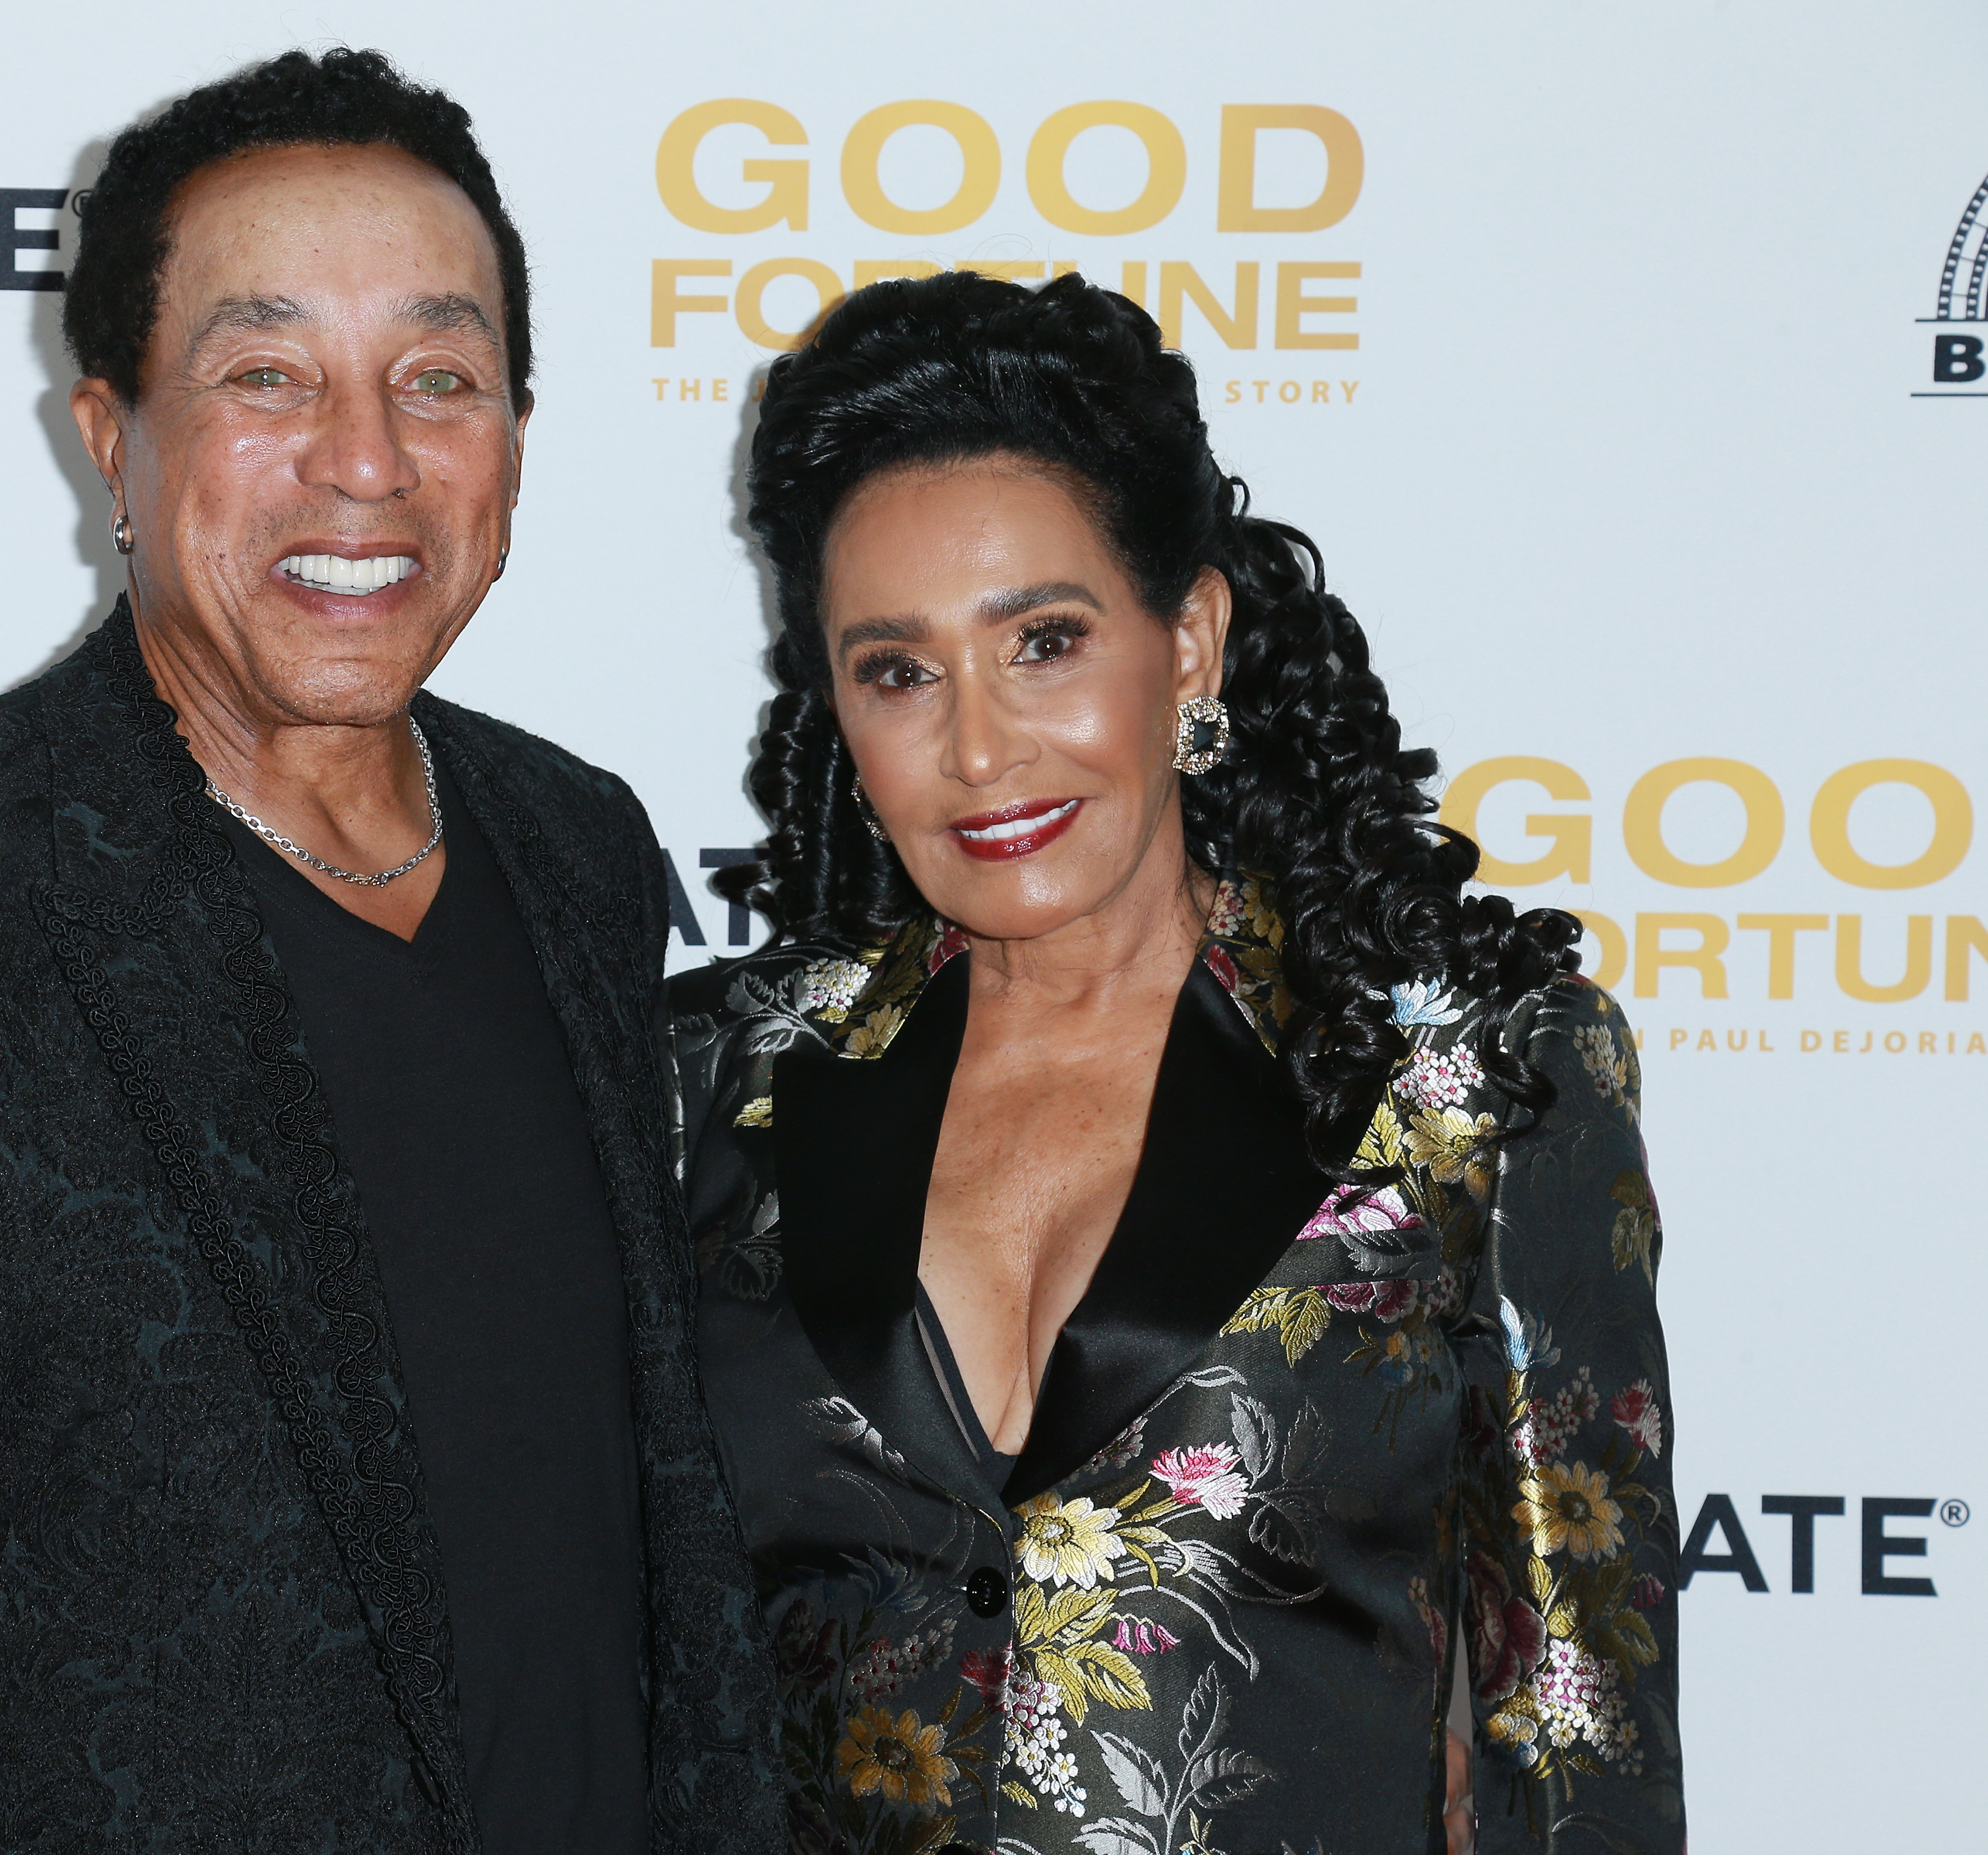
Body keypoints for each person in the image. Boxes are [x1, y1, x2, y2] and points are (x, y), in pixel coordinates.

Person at [0, 50, 776, 1855]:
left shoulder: (574, 842)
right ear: (113, 440)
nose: (365, 462)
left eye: (438, 378)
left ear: (515, 437)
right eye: (266, 375)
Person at [671, 270, 1681, 1855]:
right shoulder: (717, 1078)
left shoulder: (1469, 1079)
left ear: (1191, 640)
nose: (981, 749)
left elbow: (1577, 1729)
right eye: (898, 671)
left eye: (1046, 643)